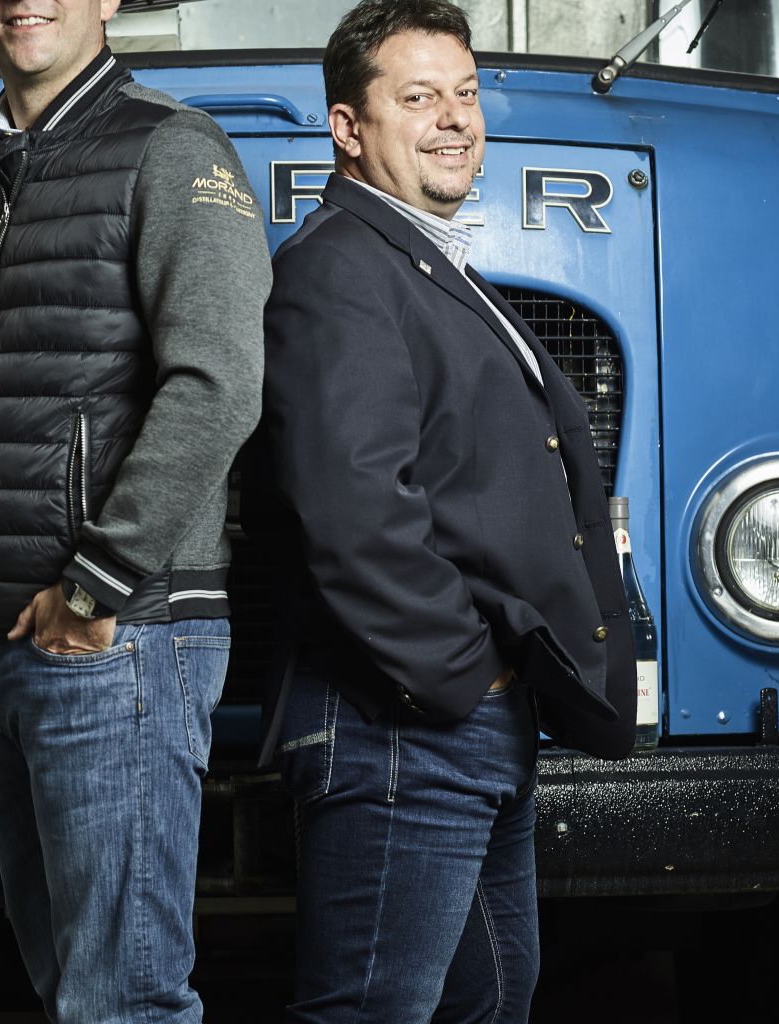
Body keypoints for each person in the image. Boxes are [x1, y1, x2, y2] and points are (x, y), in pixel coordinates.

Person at [254, 2, 637, 1020]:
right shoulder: (338, 273)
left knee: (494, 997)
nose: (454, 119)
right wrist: (468, 678)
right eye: (417, 97)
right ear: (348, 128)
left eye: (464, 94)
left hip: (462, 724)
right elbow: (355, 515)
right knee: (374, 1008)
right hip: (404, 723)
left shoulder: (421, 261)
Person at [0, 1, 270, 1020]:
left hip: (120, 642)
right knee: (70, 987)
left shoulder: (174, 149)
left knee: (126, 999)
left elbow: (220, 383)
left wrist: (98, 583)